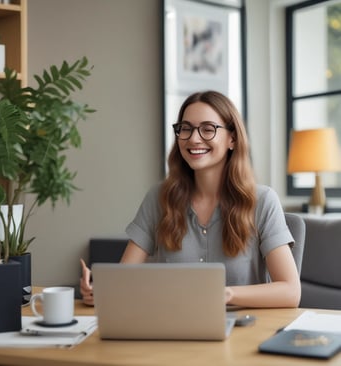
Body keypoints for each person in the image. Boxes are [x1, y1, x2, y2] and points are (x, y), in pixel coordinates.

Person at [80, 90, 301, 308]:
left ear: (232, 138)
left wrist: (225, 294)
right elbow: (123, 279)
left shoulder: (263, 201)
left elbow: (291, 292)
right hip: (172, 328)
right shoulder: (159, 198)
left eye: (207, 129)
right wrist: (102, 290)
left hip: (243, 332)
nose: (194, 139)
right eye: (185, 129)